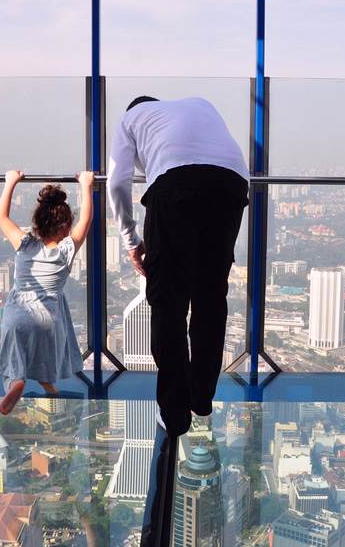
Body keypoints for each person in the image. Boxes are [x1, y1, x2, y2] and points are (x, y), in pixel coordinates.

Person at [108, 96, 249, 437]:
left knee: (168, 305)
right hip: (232, 185)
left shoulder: (131, 118)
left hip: (175, 187)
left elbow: (117, 182)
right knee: (211, 298)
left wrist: (130, 241)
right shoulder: (201, 104)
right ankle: (201, 398)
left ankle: (174, 414)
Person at [0, 170, 94, 415]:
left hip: (17, 316)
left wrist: (10, 182)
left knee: (14, 360)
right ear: (66, 227)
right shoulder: (65, 251)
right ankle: (50, 389)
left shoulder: (24, 244)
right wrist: (86, 185)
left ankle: (15, 383)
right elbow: (86, 221)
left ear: (36, 224)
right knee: (42, 355)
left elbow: (1, 216)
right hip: (47, 320)